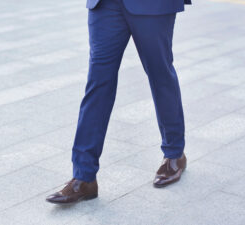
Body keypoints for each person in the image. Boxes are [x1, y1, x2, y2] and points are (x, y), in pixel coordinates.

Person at [46, 0, 191, 204]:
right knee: (98, 84)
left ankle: (175, 154)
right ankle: (84, 177)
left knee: (161, 76)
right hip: (105, 5)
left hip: (152, 4)